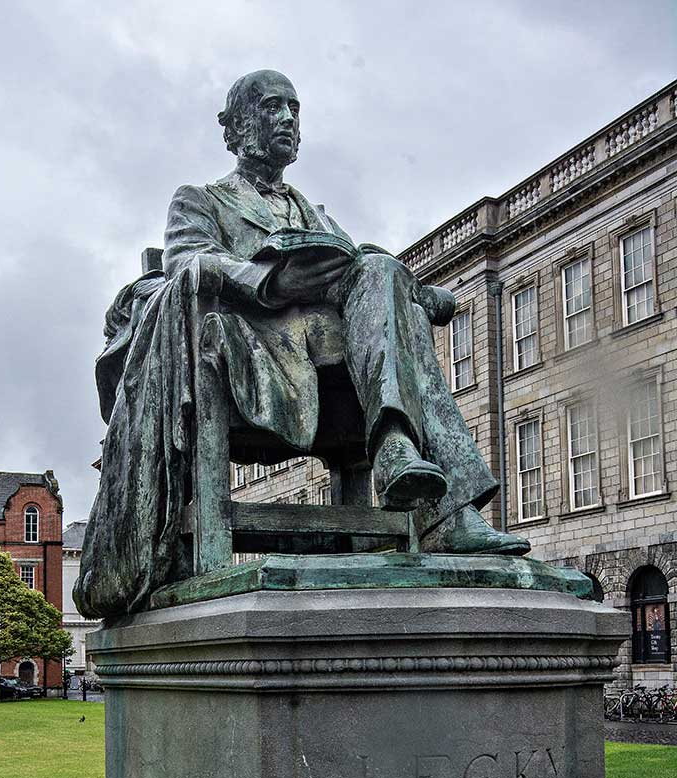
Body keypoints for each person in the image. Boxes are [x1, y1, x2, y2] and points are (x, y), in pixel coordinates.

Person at [75, 70, 528, 619]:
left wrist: (394, 283)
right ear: (238, 126)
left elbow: (349, 266)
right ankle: (439, 500)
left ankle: (403, 459)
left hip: (337, 375)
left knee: (379, 265)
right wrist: (262, 280)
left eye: (294, 109)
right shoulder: (201, 199)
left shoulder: (315, 212)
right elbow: (185, 260)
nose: (289, 119)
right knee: (381, 282)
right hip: (256, 347)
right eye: (272, 108)